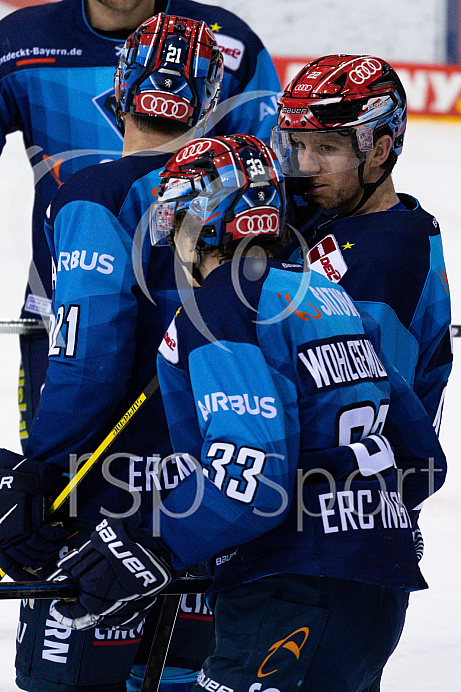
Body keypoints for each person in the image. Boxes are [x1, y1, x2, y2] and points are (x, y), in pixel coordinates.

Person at [48, 133, 447, 692]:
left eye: (174, 217)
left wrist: (152, 544)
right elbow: (421, 454)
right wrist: (365, 521)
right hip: (378, 585)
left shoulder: (221, 308)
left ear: (204, 222)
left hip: (287, 588)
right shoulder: (329, 296)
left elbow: (252, 479)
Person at [0, 14, 225, 692]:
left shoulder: (94, 193)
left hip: (103, 508)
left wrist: (42, 476)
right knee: (186, 675)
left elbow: (88, 354)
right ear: (209, 99)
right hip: (211, 506)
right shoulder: (255, 197)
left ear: (121, 90)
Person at [0, 0, 281, 445]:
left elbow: (273, 188)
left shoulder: (233, 43)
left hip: (200, 316)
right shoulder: (16, 42)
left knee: (70, 479)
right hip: (60, 305)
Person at [270, 54, 452, 430]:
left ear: (379, 151)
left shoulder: (382, 261)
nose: (305, 166)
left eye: (326, 149)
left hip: (339, 480)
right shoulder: (339, 209)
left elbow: (357, 407)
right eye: (300, 145)